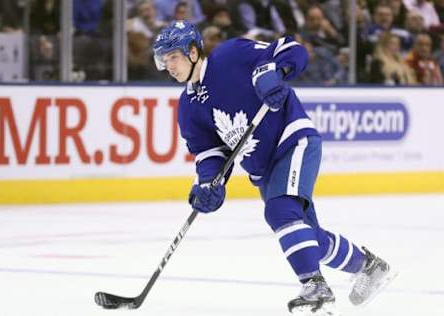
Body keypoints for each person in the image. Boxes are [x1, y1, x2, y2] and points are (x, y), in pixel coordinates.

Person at [153, 20, 397, 315]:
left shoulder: (230, 55)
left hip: (292, 139)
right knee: (305, 234)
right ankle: (369, 267)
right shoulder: (188, 107)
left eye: (174, 57)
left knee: (280, 212)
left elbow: (291, 48)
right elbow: (209, 153)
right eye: (164, 61)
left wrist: (276, 72)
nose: (169, 66)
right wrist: (208, 183)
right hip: (263, 170)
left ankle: (315, 286)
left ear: (193, 52)